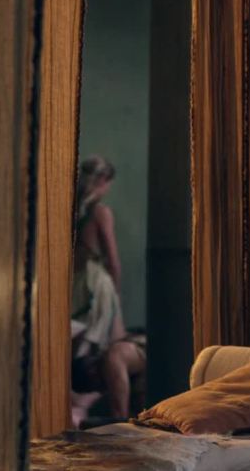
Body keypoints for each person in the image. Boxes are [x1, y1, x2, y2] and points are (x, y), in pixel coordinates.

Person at [71, 155, 146, 425]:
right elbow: (113, 259)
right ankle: (98, 411)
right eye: (108, 185)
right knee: (102, 345)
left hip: (75, 282)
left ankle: (82, 407)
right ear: (102, 181)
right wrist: (117, 293)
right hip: (95, 284)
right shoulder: (101, 212)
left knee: (83, 345)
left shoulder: (73, 214)